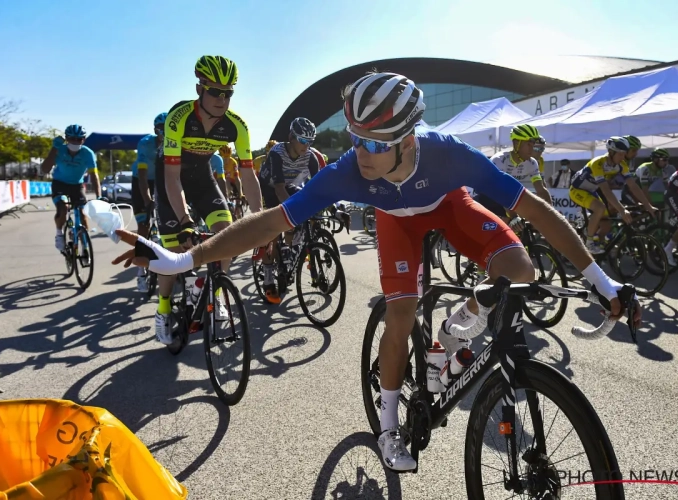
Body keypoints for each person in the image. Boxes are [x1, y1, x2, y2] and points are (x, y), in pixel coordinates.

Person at [112, 71, 640, 472]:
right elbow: (269, 222)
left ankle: (460, 324)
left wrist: (602, 280)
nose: (360, 154)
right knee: (402, 316)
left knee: (519, 270)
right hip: (395, 223)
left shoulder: (450, 155)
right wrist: (185, 259)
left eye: (374, 144)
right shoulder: (349, 171)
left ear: (408, 141)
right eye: (354, 139)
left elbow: (536, 211)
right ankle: (389, 426)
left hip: (447, 202)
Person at [151, 54, 263, 344]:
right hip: (171, 177)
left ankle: (217, 294)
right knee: (174, 252)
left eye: (228, 93)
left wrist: (261, 216)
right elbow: (172, 177)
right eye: (215, 91)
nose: (221, 99)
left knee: (227, 237)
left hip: (202, 177)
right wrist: (185, 220)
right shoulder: (180, 117)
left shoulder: (236, 125)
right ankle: (163, 308)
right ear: (200, 88)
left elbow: (248, 175)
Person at [257, 117, 323, 303]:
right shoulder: (277, 153)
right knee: (273, 232)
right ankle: (269, 279)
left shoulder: (311, 156)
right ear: (290, 137)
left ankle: (287, 254)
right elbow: (278, 189)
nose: (306, 145)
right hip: (270, 187)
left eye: (310, 141)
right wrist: (295, 213)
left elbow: (318, 186)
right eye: (302, 140)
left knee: (296, 221)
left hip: (290, 185)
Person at [569, 137, 656, 254]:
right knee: (600, 208)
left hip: (592, 191)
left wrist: (648, 206)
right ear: (611, 152)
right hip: (577, 190)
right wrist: (622, 210)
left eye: (624, 154)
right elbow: (605, 190)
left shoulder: (621, 165)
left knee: (606, 226)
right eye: (620, 155)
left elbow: (633, 186)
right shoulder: (598, 163)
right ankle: (589, 243)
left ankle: (595, 248)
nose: (622, 158)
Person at [473, 124, 553, 233]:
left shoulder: (532, 163)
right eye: (528, 144)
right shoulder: (499, 160)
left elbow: (541, 190)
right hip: (486, 195)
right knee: (504, 224)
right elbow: (500, 193)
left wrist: (552, 214)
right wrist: (514, 216)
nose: (532, 148)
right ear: (516, 143)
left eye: (533, 144)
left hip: (506, 197)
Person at [41, 124, 100, 251]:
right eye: (72, 139)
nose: (75, 142)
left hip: (77, 185)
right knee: (63, 207)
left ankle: (85, 245)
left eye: (79, 139)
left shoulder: (88, 153)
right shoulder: (59, 150)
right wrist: (53, 149)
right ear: (66, 139)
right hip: (60, 183)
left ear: (83, 140)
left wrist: (99, 196)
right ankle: (59, 234)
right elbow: (44, 169)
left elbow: (94, 175)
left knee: (82, 214)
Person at [132, 112, 165, 292]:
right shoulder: (145, 144)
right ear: (155, 130)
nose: (165, 132)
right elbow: (143, 177)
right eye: (161, 129)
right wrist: (148, 200)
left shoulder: (174, 143)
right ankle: (141, 273)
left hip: (160, 181)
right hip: (141, 181)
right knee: (143, 226)